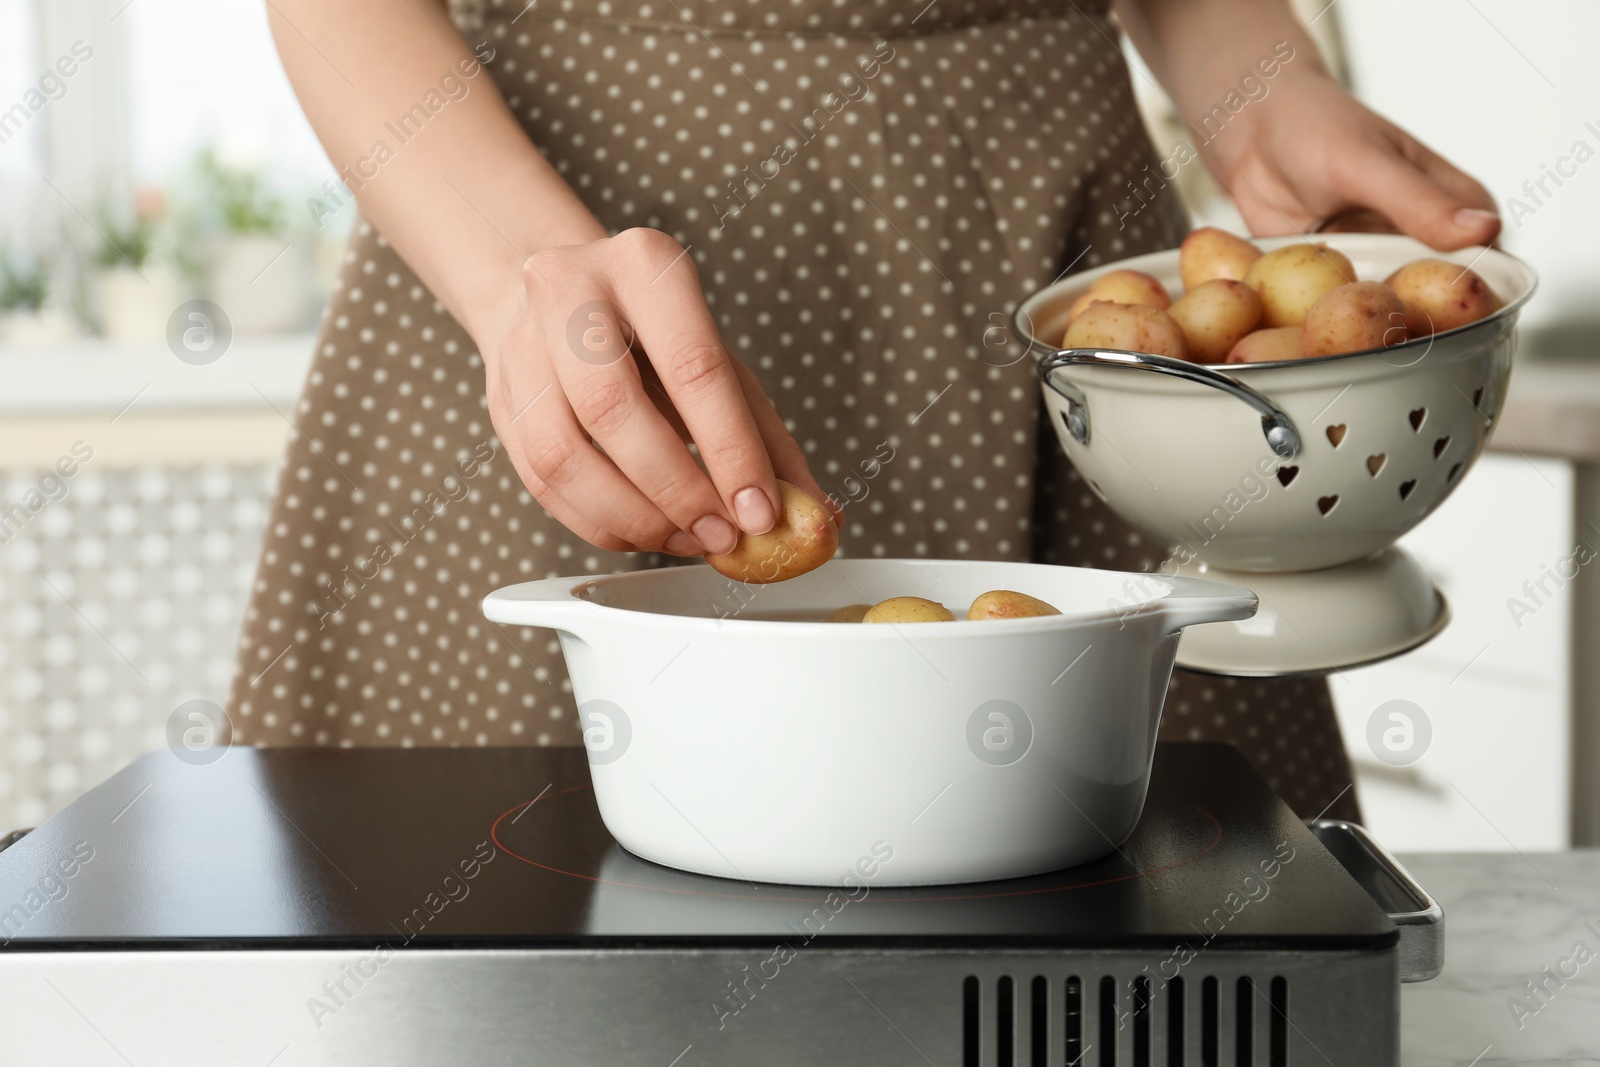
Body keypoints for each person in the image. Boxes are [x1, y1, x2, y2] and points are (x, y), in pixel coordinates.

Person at [231, 0, 1499, 821]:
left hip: (1054, 283)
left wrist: (1263, 84)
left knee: (1179, 951)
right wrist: (513, 277)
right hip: (541, 267)